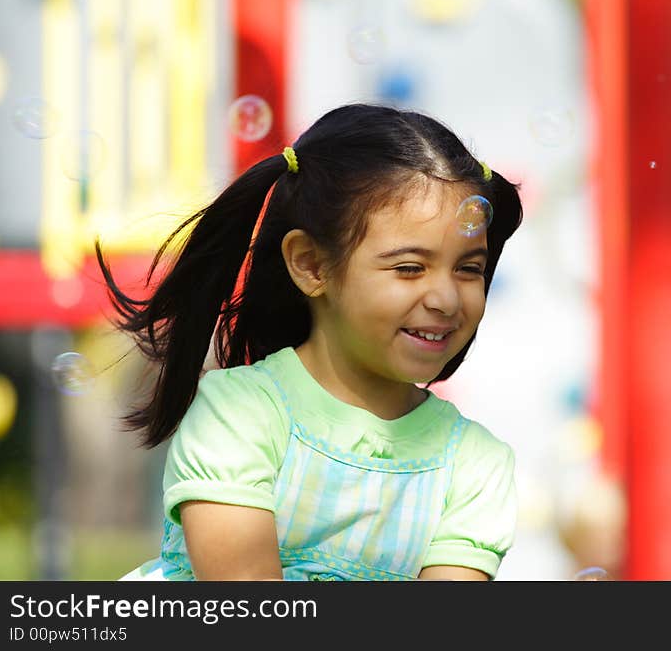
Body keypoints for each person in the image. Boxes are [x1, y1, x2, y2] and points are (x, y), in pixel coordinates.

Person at [102, 103, 524, 581]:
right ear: (311, 265)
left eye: (469, 268)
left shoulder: (475, 464)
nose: (447, 298)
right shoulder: (242, 413)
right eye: (409, 267)